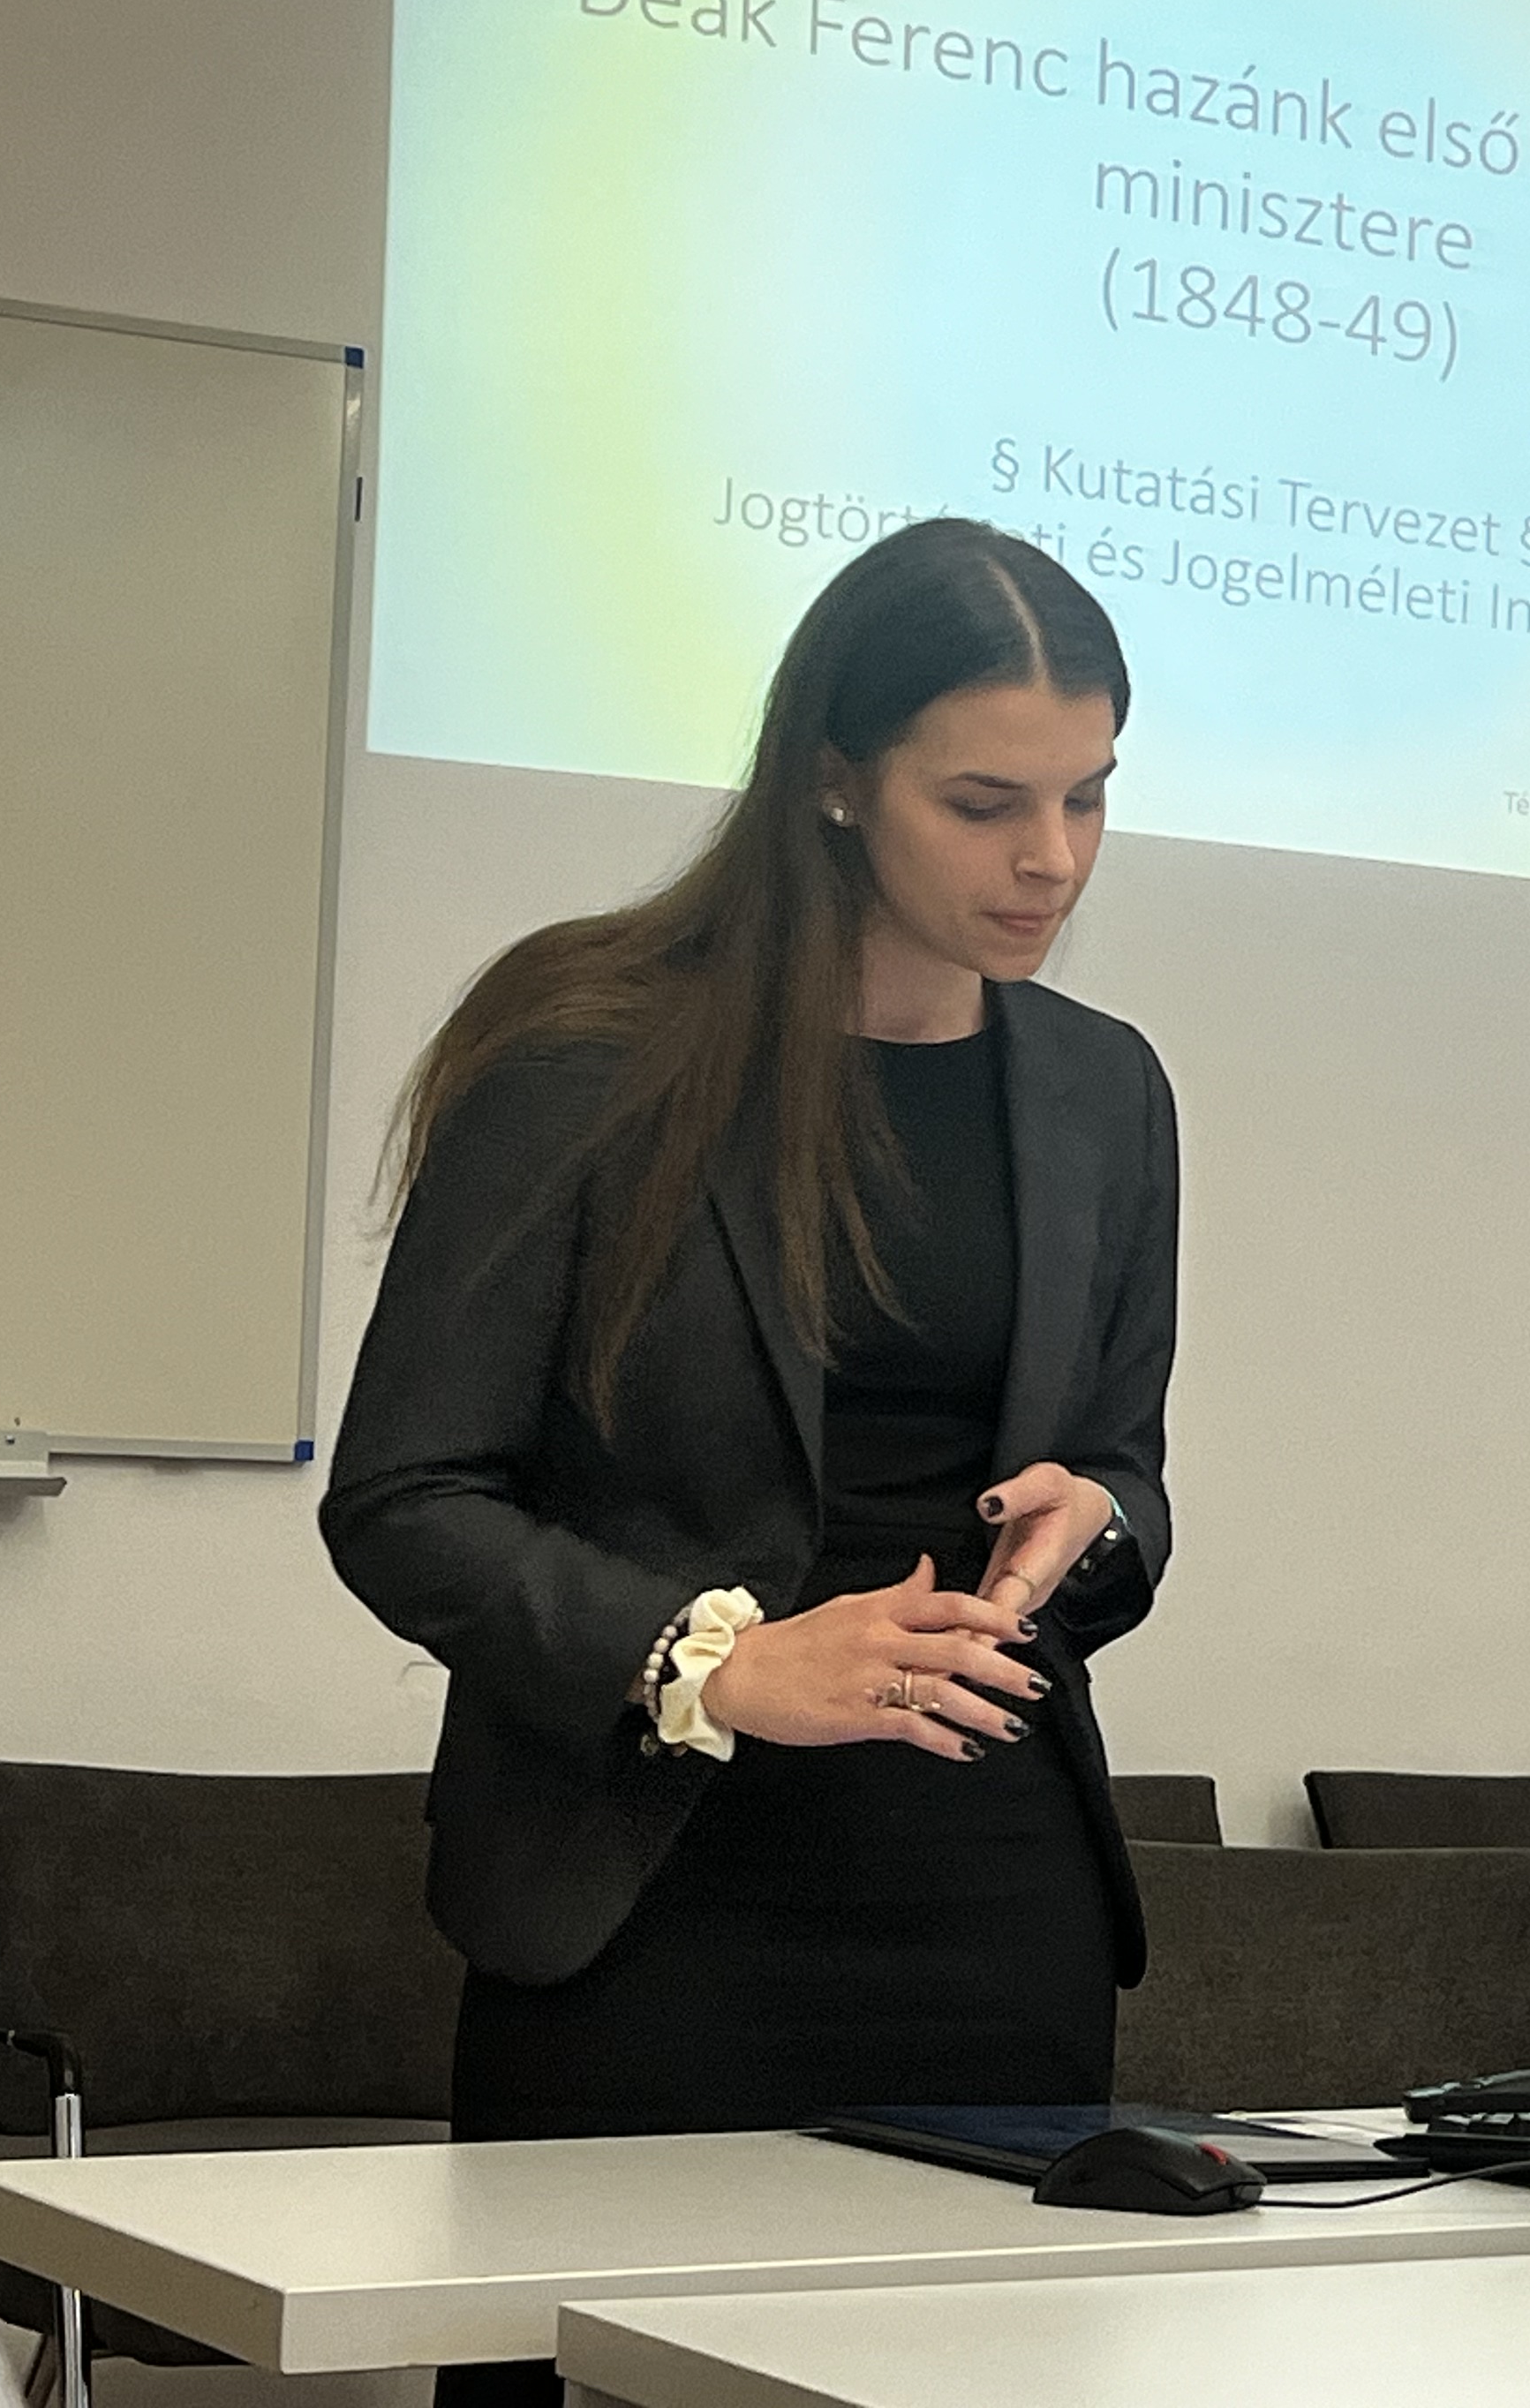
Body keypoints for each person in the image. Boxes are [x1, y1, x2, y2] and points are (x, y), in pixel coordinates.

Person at [320, 519, 1177, 2407]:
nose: (1052, 857)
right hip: (653, 1904)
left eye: (1090, 795)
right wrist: (707, 1662)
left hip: (993, 1906)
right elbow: (404, 1497)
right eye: (985, 803)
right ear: (835, 778)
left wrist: (1099, 1517)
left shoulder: (1104, 1088)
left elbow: (1124, 1466)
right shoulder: (586, 1053)